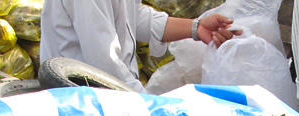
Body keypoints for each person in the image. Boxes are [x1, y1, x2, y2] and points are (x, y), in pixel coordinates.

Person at [40, 0, 241, 93]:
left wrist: (196, 27)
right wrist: (150, 103)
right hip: (82, 100)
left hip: (108, 96)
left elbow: (132, 16)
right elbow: (105, 64)